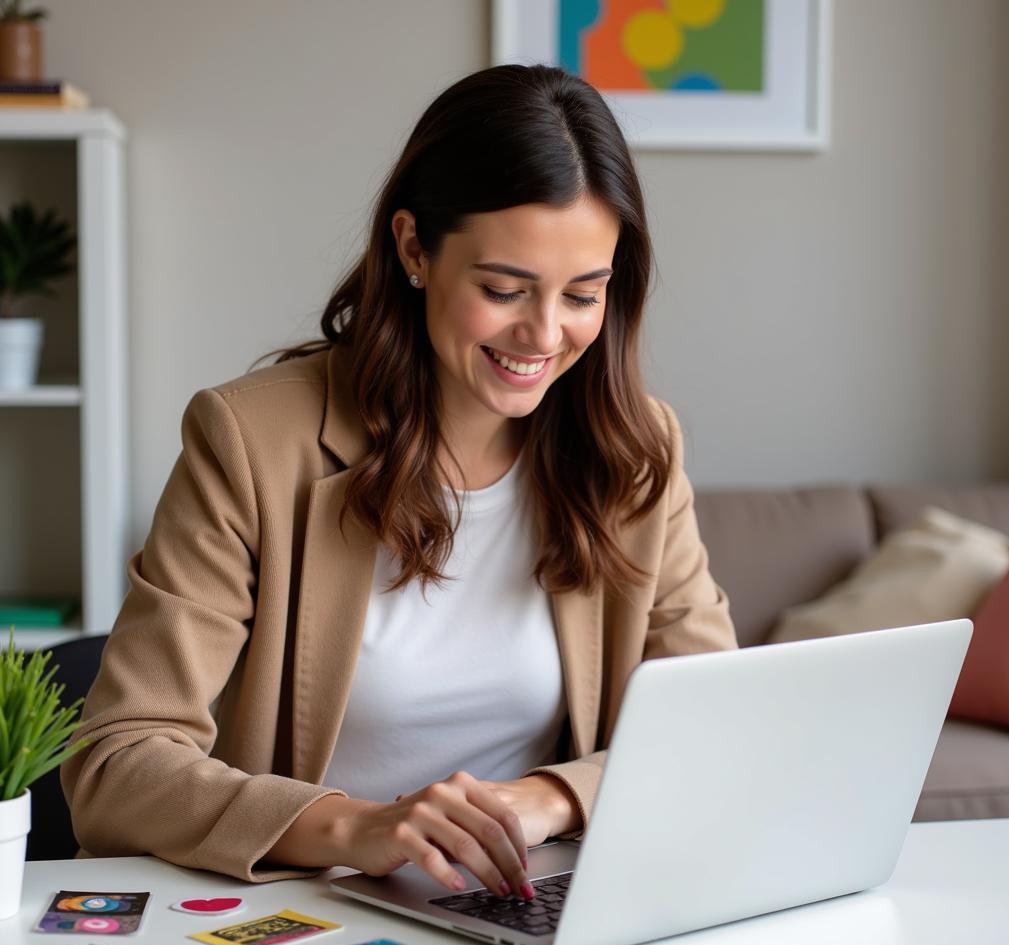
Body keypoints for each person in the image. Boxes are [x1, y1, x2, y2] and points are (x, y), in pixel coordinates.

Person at [61, 64, 737, 899]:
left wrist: (549, 799)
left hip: (527, 904)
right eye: (503, 289)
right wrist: (359, 825)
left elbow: (716, 729)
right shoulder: (251, 442)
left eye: (584, 295)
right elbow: (116, 763)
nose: (545, 334)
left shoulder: (635, 451)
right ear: (414, 248)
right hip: (307, 913)